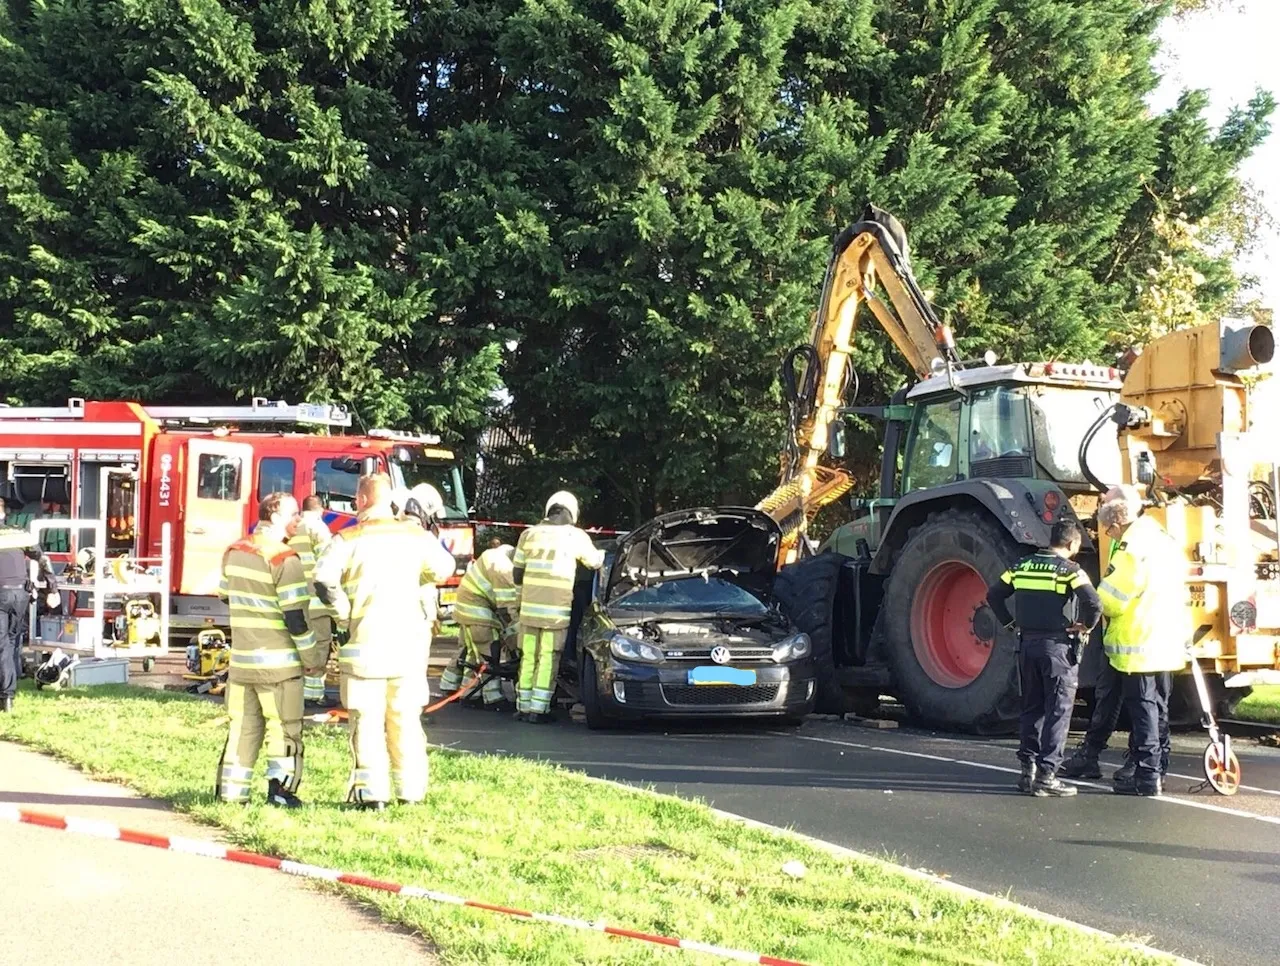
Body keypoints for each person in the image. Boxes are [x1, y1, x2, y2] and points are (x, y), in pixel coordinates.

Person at [314, 474, 455, 810]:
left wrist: (343, 613)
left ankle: (372, 794)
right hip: (407, 650)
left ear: (361, 500)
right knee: (405, 720)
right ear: (389, 501)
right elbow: (444, 568)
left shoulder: (347, 538)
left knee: (366, 723)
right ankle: (411, 793)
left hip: (365, 649)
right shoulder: (415, 535)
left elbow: (322, 579)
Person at [215, 492, 325, 807]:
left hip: (241, 664)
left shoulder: (234, 551)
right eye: (293, 514)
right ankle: (281, 792)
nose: (298, 520)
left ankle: (232, 793)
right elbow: (295, 619)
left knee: (242, 729)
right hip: (278, 665)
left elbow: (224, 595)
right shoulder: (284, 559)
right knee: (285, 729)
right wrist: (312, 658)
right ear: (275, 515)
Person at [988, 518, 1102, 797]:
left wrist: (1010, 624)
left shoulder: (1021, 566)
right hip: (1058, 648)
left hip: (1026, 644)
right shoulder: (1070, 570)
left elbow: (994, 595)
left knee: (1031, 708)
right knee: (1058, 711)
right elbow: (1093, 602)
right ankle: (1048, 775)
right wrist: (1086, 625)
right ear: (1072, 543)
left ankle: (1028, 772)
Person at [1096, 484, 1187, 797]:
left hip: (1140, 641)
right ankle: (1159, 766)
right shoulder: (1162, 538)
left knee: (1143, 708)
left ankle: (1147, 777)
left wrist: (1091, 600)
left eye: (1108, 530)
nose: (1109, 535)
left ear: (1117, 524)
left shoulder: (1131, 549)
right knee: (1159, 706)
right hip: (1167, 636)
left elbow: (1112, 599)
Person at [512, 490, 606, 723]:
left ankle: (523, 707)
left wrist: (522, 598)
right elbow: (594, 562)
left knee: (528, 657)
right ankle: (539, 710)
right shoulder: (575, 536)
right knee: (547, 658)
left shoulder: (528, 535)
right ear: (571, 512)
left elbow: (517, 573)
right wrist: (603, 552)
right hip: (555, 613)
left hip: (529, 612)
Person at [0, 493, 59, 712]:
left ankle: (7, 696)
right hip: (21, 595)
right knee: (13, 642)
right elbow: (43, 559)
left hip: (1, 595)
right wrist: (53, 588)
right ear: (5, 512)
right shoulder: (18, 532)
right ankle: (9, 687)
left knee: (3, 645)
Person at [441, 542, 517, 709]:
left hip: (465, 607)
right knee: (488, 652)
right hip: (477, 612)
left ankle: (458, 689)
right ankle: (492, 697)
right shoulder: (504, 570)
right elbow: (506, 609)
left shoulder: (494, 555)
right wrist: (514, 637)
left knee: (471, 653)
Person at [287, 497, 337, 709]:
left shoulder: (292, 527)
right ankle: (314, 694)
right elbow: (329, 563)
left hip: (295, 598)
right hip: (316, 600)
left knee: (300, 643)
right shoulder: (318, 527)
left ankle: (299, 689)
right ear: (321, 510)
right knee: (320, 645)